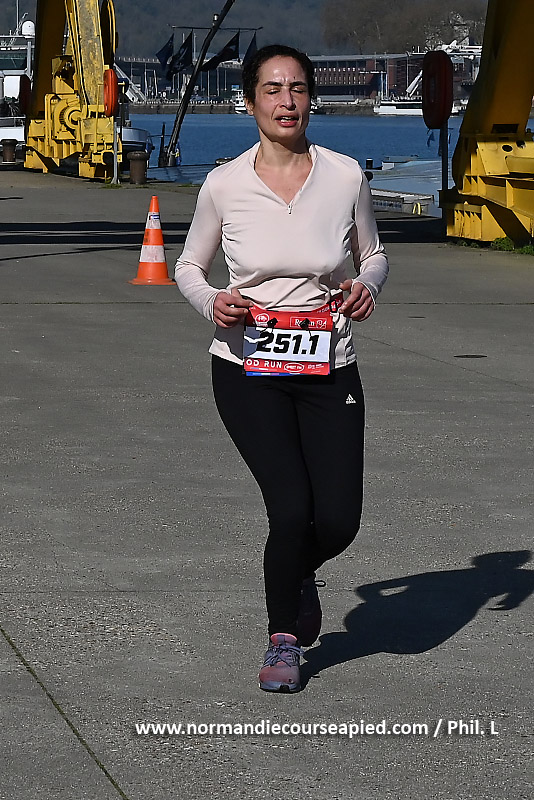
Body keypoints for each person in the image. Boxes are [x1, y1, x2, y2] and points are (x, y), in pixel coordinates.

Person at [174, 44, 388, 693]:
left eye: (297, 88)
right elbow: (188, 266)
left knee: (340, 520)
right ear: (250, 102)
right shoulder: (225, 184)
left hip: (330, 364)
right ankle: (284, 639)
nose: (286, 101)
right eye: (272, 89)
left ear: (311, 98)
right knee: (291, 508)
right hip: (247, 368)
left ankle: (294, 570)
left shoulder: (345, 176)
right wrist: (214, 302)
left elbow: (373, 254)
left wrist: (367, 286)